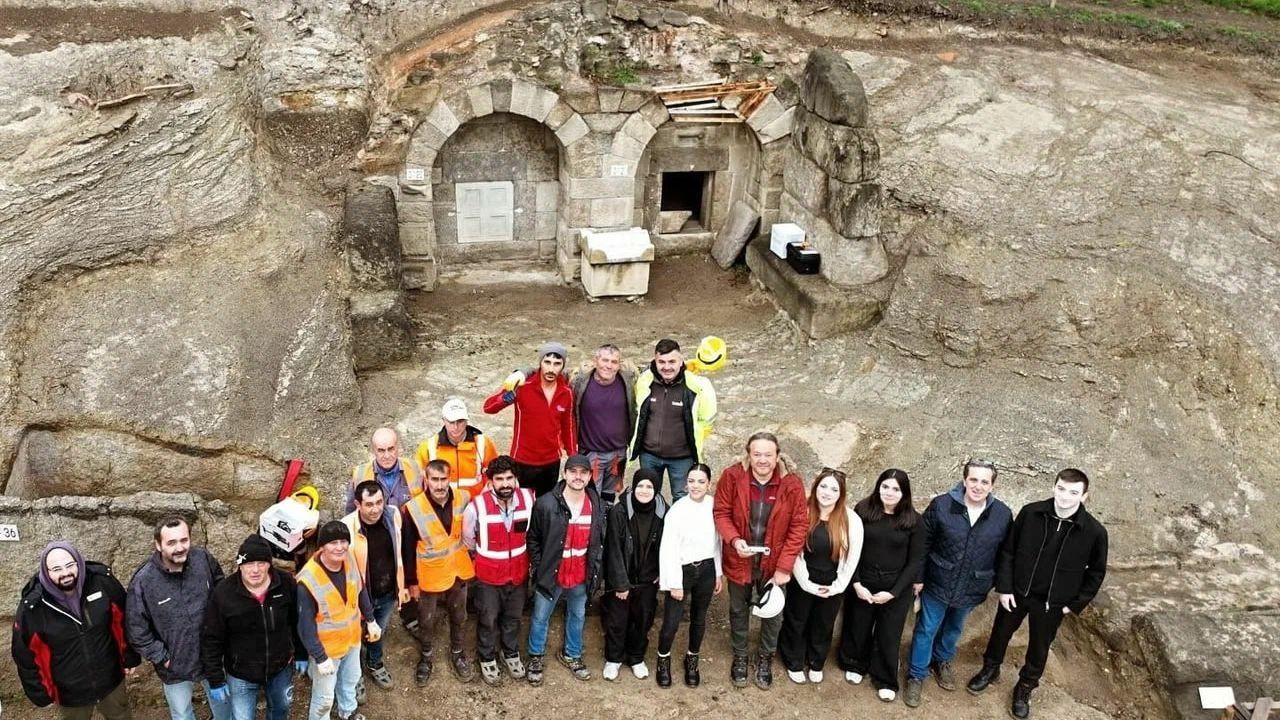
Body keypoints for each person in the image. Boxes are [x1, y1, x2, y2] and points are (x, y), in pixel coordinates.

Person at [967, 468, 1109, 719]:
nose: (1065, 496)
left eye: (1074, 492)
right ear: (1054, 487)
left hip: (1053, 603)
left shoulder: (1094, 532)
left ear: (1084, 496)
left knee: (1039, 647)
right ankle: (990, 669)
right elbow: (1009, 550)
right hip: (1018, 593)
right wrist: (1005, 587)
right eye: (1061, 489)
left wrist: (1072, 605)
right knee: (1000, 633)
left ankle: (1025, 687)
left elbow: (1096, 572)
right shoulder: (1031, 513)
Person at [904, 458, 1013, 709]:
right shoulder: (942, 505)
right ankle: (916, 674)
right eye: (973, 479)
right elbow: (923, 544)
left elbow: (1006, 553)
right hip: (938, 581)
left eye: (984, 481)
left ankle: (941, 661)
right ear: (964, 480)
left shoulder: (1002, 515)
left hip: (973, 586)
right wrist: (919, 578)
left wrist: (998, 582)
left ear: (992, 485)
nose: (978, 486)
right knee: (927, 628)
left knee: (954, 628)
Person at [712, 431, 807, 690]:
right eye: (757, 454)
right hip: (740, 558)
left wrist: (785, 566)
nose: (762, 460)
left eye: (768, 454)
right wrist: (733, 540)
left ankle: (765, 657)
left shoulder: (792, 484)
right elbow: (720, 512)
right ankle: (740, 655)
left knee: (773, 613)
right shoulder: (732, 477)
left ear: (777, 456)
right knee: (737, 609)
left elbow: (799, 525)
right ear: (748, 454)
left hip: (775, 563)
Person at [13, 541, 141, 720]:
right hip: (69, 692)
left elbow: (124, 620)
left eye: (69, 565)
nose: (65, 573)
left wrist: (130, 656)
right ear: (46, 571)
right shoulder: (33, 607)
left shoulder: (102, 582)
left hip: (111, 679)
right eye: (56, 569)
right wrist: (40, 693)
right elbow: (25, 655)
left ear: (78, 562)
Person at [127, 516, 229, 720]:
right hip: (174, 666)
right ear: (158, 545)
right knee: (182, 714)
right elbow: (136, 628)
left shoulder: (203, 559)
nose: (180, 547)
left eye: (184, 540)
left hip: (213, 657)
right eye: (171, 542)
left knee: (224, 709)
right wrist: (162, 657)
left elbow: (222, 592)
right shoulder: (144, 581)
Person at [839, 468, 925, 702]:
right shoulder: (863, 511)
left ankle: (885, 678)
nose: (889, 492)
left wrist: (894, 592)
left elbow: (915, 560)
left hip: (895, 587)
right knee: (858, 626)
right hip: (863, 582)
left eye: (896, 489)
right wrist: (856, 583)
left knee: (889, 634)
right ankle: (855, 664)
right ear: (878, 487)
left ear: (904, 493)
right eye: (885, 486)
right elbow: (849, 548)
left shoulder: (914, 521)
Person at [201, 535, 307, 720]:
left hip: (280, 667)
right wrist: (216, 678)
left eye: (261, 563)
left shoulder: (286, 584)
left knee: (280, 710)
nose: (256, 570)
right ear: (240, 565)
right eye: (249, 564)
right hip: (241, 674)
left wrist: (301, 653)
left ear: (270, 564)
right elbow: (211, 638)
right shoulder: (224, 594)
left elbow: (297, 620)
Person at [525, 454, 606, 685]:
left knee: (578, 615)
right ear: (564, 474)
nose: (578, 477)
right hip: (552, 574)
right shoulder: (546, 503)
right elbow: (533, 539)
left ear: (590, 476)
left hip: (581, 573)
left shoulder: (596, 504)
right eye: (573, 472)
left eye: (583, 473)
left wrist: (596, 571)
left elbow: (599, 539)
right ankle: (536, 656)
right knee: (541, 616)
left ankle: (572, 654)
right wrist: (540, 567)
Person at [778, 468, 863, 685]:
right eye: (823, 486)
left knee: (823, 623)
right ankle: (794, 660)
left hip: (833, 581)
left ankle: (816, 662)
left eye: (834, 489)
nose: (827, 492)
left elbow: (852, 557)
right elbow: (794, 548)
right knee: (797, 620)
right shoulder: (802, 512)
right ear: (816, 487)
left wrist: (838, 585)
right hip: (802, 578)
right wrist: (806, 582)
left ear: (841, 494)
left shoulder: (851, 520)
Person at [401, 459, 476, 685]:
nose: (440, 485)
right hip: (429, 576)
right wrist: (411, 582)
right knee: (426, 619)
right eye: (435, 479)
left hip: (458, 571)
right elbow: (407, 550)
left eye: (444, 479)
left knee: (459, 616)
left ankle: (457, 652)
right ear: (426, 479)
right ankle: (426, 656)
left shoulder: (464, 498)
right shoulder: (413, 509)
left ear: (450, 478)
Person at [297, 521, 381, 720]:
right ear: (322, 546)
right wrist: (319, 657)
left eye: (344, 541)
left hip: (351, 639)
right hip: (327, 650)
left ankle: (348, 712)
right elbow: (305, 624)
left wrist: (370, 619)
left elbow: (360, 590)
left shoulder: (348, 559)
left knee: (350, 680)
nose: (340, 547)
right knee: (324, 696)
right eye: (333, 542)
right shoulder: (308, 580)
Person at [462, 455, 535, 685]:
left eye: (509, 478)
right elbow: (468, 539)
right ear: (490, 481)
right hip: (488, 577)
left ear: (516, 479)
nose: (505, 484)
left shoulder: (529, 499)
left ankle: (510, 651)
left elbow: (533, 533)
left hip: (518, 575)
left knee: (513, 617)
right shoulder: (476, 507)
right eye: (499, 479)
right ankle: (486, 656)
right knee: (488, 618)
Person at [655, 463, 722, 688]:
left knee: (699, 618)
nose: (695, 486)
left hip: (706, 569)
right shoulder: (677, 510)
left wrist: (718, 573)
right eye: (691, 481)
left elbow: (717, 543)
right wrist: (674, 583)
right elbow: (668, 549)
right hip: (682, 570)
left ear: (709, 484)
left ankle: (692, 658)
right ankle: (663, 658)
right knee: (672, 621)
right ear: (686, 483)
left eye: (701, 481)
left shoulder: (714, 507)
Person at [484, 341, 577, 498]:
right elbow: (488, 408)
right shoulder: (522, 385)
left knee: (545, 508)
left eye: (557, 364)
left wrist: (573, 457)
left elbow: (568, 426)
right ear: (540, 363)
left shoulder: (566, 392)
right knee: (521, 508)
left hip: (551, 463)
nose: (551, 368)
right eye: (547, 362)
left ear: (563, 366)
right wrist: (507, 397)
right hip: (522, 461)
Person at [601, 468, 669, 681]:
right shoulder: (619, 511)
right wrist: (621, 584)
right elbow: (613, 549)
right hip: (623, 578)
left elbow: (668, 546)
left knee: (643, 620)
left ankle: (636, 658)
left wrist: (661, 572)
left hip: (648, 580)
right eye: (640, 485)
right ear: (634, 486)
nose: (644, 490)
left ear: (656, 489)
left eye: (649, 486)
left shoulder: (663, 511)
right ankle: (613, 659)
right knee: (617, 620)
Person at [341, 481, 409, 690]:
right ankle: (355, 675)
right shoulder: (347, 527)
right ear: (357, 504)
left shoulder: (393, 515)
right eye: (369, 504)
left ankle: (375, 663)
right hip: (360, 597)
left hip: (388, 593)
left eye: (379, 502)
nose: (376, 509)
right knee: (354, 637)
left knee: (378, 631)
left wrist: (402, 586)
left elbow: (400, 552)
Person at [631, 338, 716, 501]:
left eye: (672, 361)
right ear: (655, 361)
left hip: (682, 457)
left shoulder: (696, 385)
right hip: (649, 455)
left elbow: (707, 420)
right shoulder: (644, 381)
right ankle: (656, 527)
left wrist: (697, 442)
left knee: (683, 498)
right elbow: (637, 412)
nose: (667, 367)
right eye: (661, 362)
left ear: (681, 360)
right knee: (648, 497)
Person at [570, 344, 637, 506]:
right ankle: (592, 531)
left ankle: (606, 528)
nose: (608, 365)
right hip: (592, 453)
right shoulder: (580, 381)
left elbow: (658, 368)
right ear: (595, 361)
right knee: (590, 500)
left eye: (614, 362)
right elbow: (548, 370)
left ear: (620, 364)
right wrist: (522, 371)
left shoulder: (627, 380)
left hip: (618, 453)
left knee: (608, 499)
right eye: (605, 360)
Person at [415, 397, 498, 504]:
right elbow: (418, 483)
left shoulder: (484, 444)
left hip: (476, 506)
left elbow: (494, 477)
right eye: (451, 422)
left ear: (467, 420)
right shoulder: (427, 447)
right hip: (441, 508)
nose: (456, 426)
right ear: (443, 421)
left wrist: (484, 502)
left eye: (460, 421)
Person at [345, 427, 423, 512]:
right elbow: (351, 512)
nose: (387, 456)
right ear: (373, 450)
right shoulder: (359, 474)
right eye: (381, 450)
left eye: (391, 449)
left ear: (397, 447)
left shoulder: (415, 468)